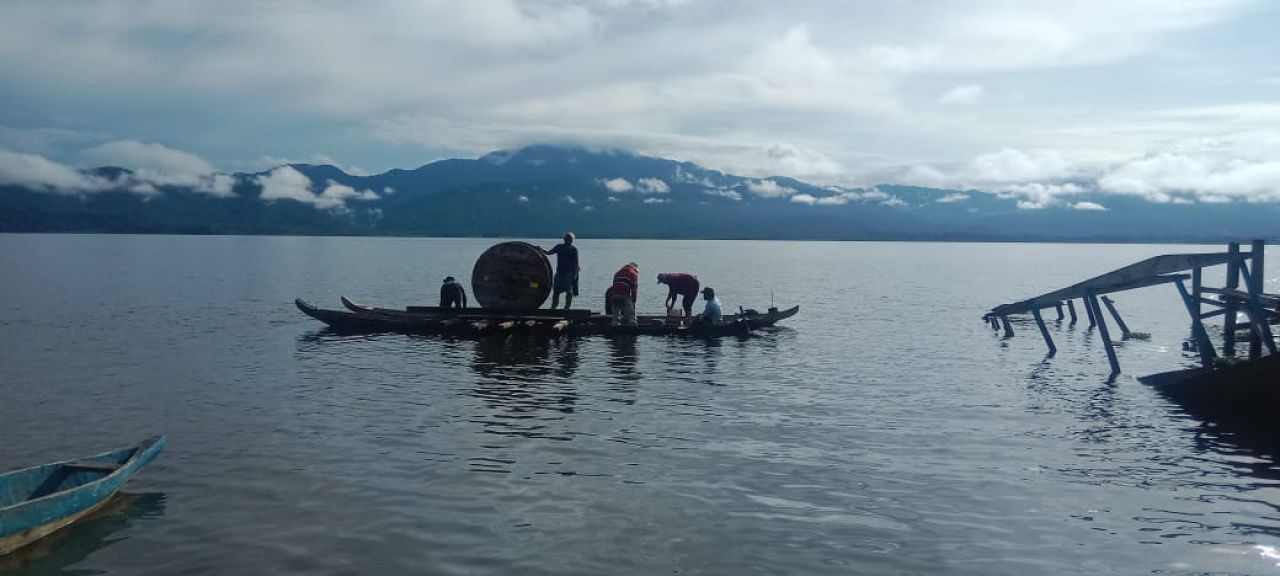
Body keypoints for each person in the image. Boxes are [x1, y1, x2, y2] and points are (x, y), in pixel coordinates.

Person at [540, 232, 579, 310]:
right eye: (566, 238)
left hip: (568, 274)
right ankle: (554, 307)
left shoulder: (574, 250)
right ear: (564, 239)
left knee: (569, 291)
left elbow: (576, 263)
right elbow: (549, 252)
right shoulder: (559, 247)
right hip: (559, 273)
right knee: (556, 291)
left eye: (569, 239)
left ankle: (567, 308)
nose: (568, 240)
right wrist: (540, 249)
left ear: (572, 240)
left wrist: (575, 274)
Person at [606, 262, 639, 326]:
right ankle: (632, 323)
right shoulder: (633, 273)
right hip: (624, 295)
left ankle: (615, 323)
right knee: (630, 312)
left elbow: (614, 285)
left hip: (614, 295)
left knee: (616, 312)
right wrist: (634, 300)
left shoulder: (617, 273)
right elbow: (634, 289)